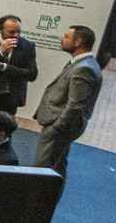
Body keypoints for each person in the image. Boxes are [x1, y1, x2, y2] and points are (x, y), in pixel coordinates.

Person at [32, 24, 102, 175]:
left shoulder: (84, 69)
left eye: (66, 37)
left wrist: (56, 127)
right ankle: (49, 197)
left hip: (61, 127)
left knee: (41, 170)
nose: (62, 39)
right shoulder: (81, 63)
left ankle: (37, 198)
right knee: (57, 165)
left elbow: (75, 105)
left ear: (78, 42)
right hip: (63, 126)